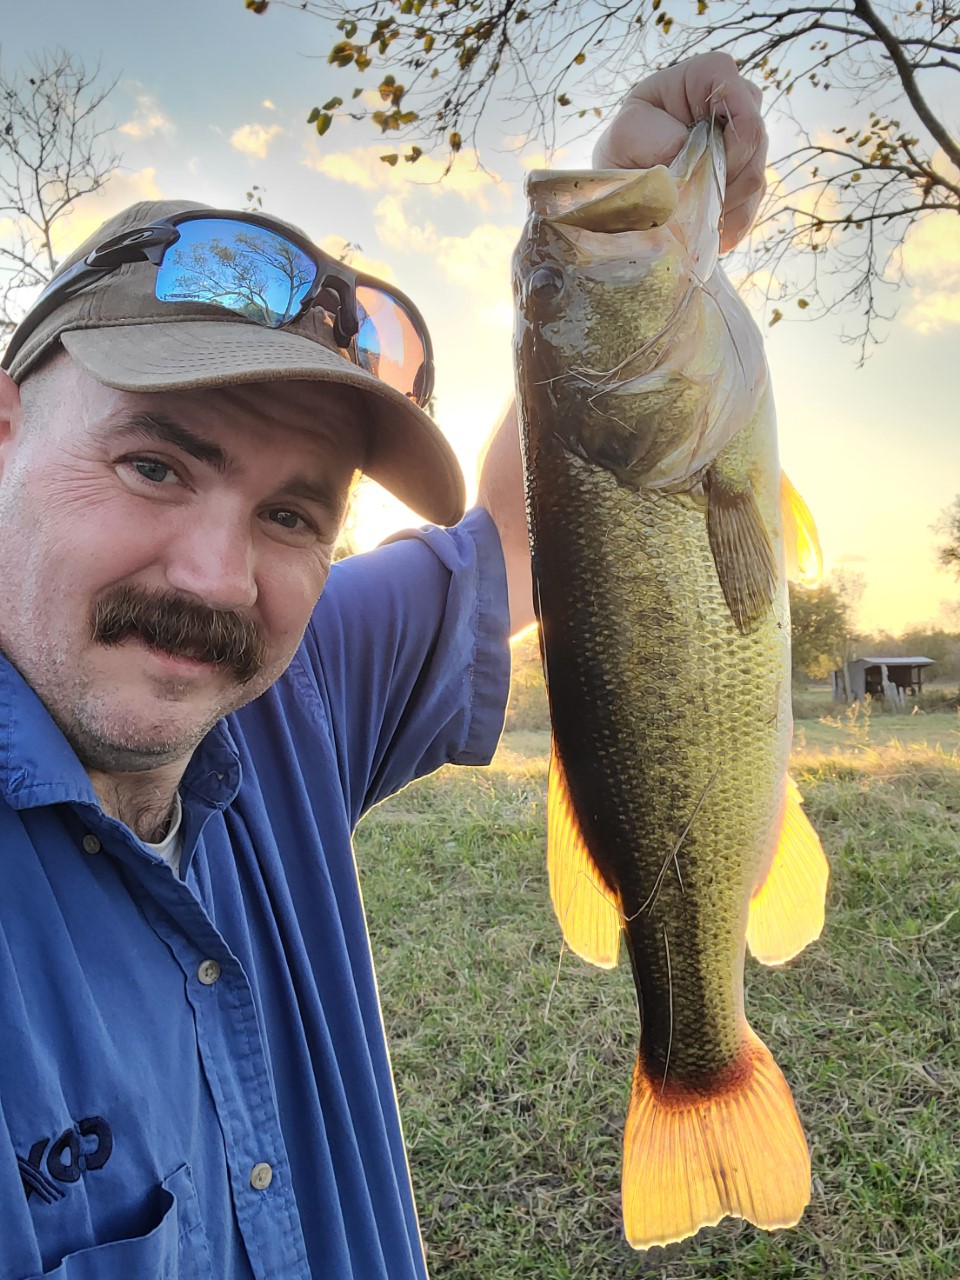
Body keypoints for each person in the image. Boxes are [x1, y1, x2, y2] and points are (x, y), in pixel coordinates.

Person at [0, 53, 766, 1280]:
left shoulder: (285, 691)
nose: (215, 577)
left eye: (295, 515)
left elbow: (541, 534)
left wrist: (626, 213)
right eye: (154, 464)